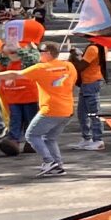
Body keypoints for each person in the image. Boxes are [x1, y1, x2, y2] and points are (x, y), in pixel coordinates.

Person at [24, 41, 78, 177]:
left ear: (47, 53)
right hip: (67, 110)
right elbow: (72, 82)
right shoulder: (69, 66)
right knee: (50, 138)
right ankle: (58, 167)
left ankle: (49, 161)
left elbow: (16, 74)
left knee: (31, 135)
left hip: (51, 110)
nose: (39, 54)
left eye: (40, 52)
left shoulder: (40, 68)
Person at [68, 34, 108, 149]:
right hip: (88, 82)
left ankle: (98, 139)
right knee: (82, 113)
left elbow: (81, 66)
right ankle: (87, 137)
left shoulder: (93, 48)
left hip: (91, 82)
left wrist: (74, 56)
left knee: (93, 112)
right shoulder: (100, 46)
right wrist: (79, 54)